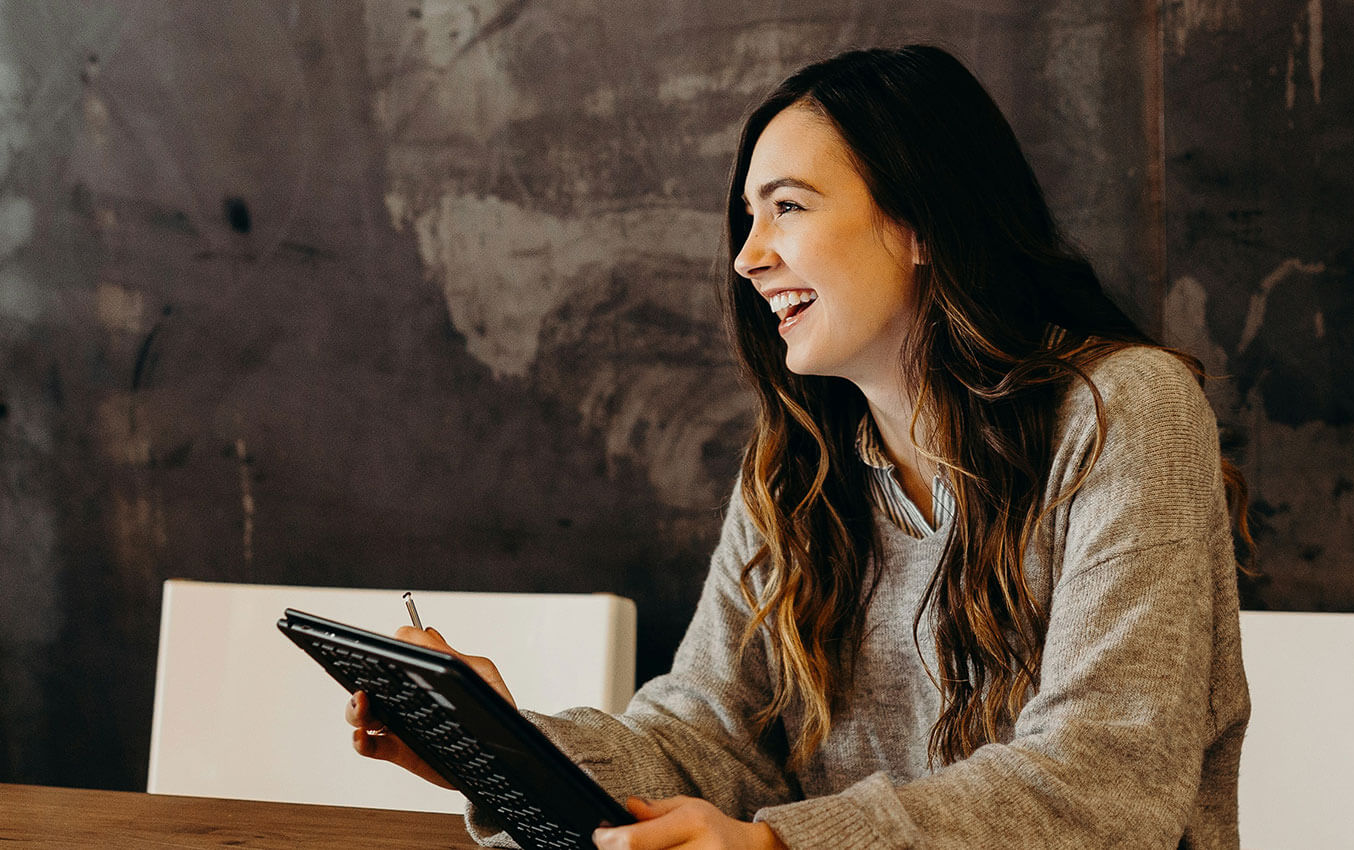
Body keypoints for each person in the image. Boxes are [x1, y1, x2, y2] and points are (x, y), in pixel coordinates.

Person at [347, 44, 1252, 849]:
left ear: (920, 223)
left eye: (787, 207)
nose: (748, 256)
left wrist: (778, 849)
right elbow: (706, 739)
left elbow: (1107, 782)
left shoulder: (1124, 411)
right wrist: (506, 747)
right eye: (749, 216)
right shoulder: (798, 465)